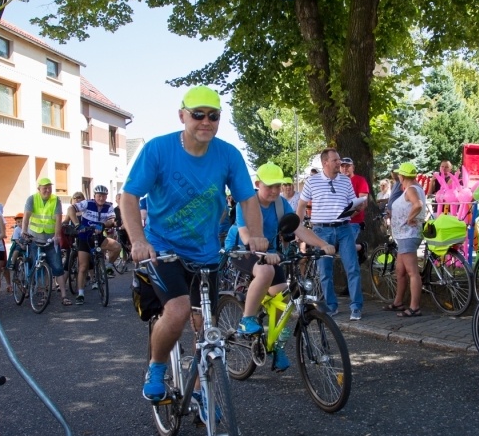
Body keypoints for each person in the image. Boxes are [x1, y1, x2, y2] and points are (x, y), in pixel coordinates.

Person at [120, 85, 268, 404]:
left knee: (207, 330)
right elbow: (129, 196)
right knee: (177, 310)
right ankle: (156, 367)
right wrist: (138, 240)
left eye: (213, 116)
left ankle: (202, 393)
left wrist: (254, 234)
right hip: (162, 249)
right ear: (182, 115)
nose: (205, 121)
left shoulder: (228, 154)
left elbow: (247, 197)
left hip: (205, 254)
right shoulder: (159, 150)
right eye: (197, 114)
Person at [225, 162, 335, 370]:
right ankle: (247, 319)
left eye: (278, 185)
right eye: (270, 186)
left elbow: (298, 229)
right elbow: (245, 234)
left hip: (272, 254)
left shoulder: (280, 204)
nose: (275, 190)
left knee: (283, 296)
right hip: (245, 252)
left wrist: (323, 244)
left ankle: (276, 344)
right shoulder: (245, 203)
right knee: (265, 271)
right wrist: (261, 251)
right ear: (258, 184)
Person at [296, 147, 364, 320]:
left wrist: (357, 207)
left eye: (339, 160)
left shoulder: (346, 181)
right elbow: (302, 205)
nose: (339, 163)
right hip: (321, 230)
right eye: (335, 160)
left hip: (344, 228)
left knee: (352, 268)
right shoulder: (312, 181)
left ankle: (356, 306)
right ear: (325, 162)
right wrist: (297, 228)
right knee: (325, 271)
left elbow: (351, 204)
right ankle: (331, 306)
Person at [67, 185, 121, 305]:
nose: (101, 198)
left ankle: (108, 266)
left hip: (98, 236)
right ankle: (80, 294)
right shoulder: (87, 203)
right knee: (83, 267)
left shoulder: (109, 206)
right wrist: (77, 224)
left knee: (117, 246)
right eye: (99, 196)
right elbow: (71, 209)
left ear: (106, 197)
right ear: (95, 196)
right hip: (84, 237)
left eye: (103, 196)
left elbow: (112, 220)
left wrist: (103, 225)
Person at [21, 178, 72, 306]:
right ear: (39, 189)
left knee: (58, 267)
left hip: (50, 239)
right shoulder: (32, 199)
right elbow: (26, 216)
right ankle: (43, 295)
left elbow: (58, 219)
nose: (47, 190)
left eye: (49, 187)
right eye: (44, 188)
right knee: (38, 267)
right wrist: (23, 231)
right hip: (34, 238)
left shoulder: (55, 200)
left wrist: (57, 236)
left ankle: (64, 296)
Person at [384, 163, 426, 317]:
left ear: (402, 176)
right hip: (403, 236)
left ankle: (414, 307)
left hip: (409, 234)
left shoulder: (412, 189)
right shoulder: (412, 188)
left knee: (412, 272)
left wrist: (409, 218)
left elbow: (418, 205)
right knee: (400, 270)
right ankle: (398, 302)